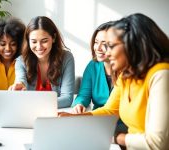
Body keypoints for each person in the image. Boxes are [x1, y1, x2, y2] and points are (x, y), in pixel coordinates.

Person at [60, 13, 169, 149]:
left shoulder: (162, 75)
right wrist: (73, 118)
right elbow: (110, 110)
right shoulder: (127, 75)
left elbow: (158, 143)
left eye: (111, 46)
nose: (107, 52)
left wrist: (115, 138)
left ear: (131, 45)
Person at [9, 16, 75, 108]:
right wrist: (20, 84)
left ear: (54, 38)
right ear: (28, 41)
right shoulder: (21, 61)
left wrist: (35, 104)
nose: (39, 47)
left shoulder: (67, 58)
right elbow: (21, 80)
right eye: (34, 42)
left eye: (44, 41)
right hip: (30, 116)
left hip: (57, 115)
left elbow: (67, 99)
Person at [71, 21, 113, 113]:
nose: (98, 48)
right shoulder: (93, 65)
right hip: (98, 120)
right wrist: (80, 104)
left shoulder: (128, 70)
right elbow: (84, 95)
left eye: (104, 43)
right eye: (96, 42)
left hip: (124, 124)